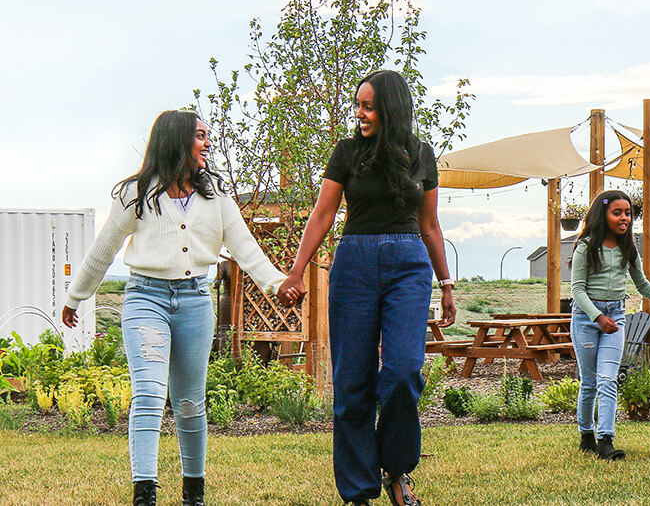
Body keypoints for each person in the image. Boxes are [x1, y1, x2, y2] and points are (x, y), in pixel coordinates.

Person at [61, 110, 287, 506]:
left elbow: (245, 247)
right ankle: (144, 493)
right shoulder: (136, 194)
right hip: (146, 299)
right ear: (177, 141)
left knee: (188, 402)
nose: (208, 143)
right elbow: (103, 250)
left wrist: (279, 282)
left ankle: (193, 494)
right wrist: (75, 296)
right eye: (200, 136)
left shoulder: (216, 195)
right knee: (148, 394)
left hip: (196, 302)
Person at [278, 70, 456, 506]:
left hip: (408, 265)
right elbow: (323, 214)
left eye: (368, 106)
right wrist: (297, 270)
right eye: (358, 105)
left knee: (402, 370)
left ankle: (396, 470)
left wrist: (447, 283)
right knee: (353, 381)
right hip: (354, 263)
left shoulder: (420, 155)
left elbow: (430, 225)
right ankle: (358, 491)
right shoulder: (347, 152)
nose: (359, 113)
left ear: (390, 109)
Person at [569, 189, 650, 461]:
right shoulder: (585, 247)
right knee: (590, 383)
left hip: (616, 317)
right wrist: (597, 316)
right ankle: (587, 434)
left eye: (628, 213)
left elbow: (641, 284)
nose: (624, 218)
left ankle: (606, 440)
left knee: (609, 379)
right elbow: (577, 290)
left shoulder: (628, 248)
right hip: (586, 318)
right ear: (602, 214)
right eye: (617, 212)